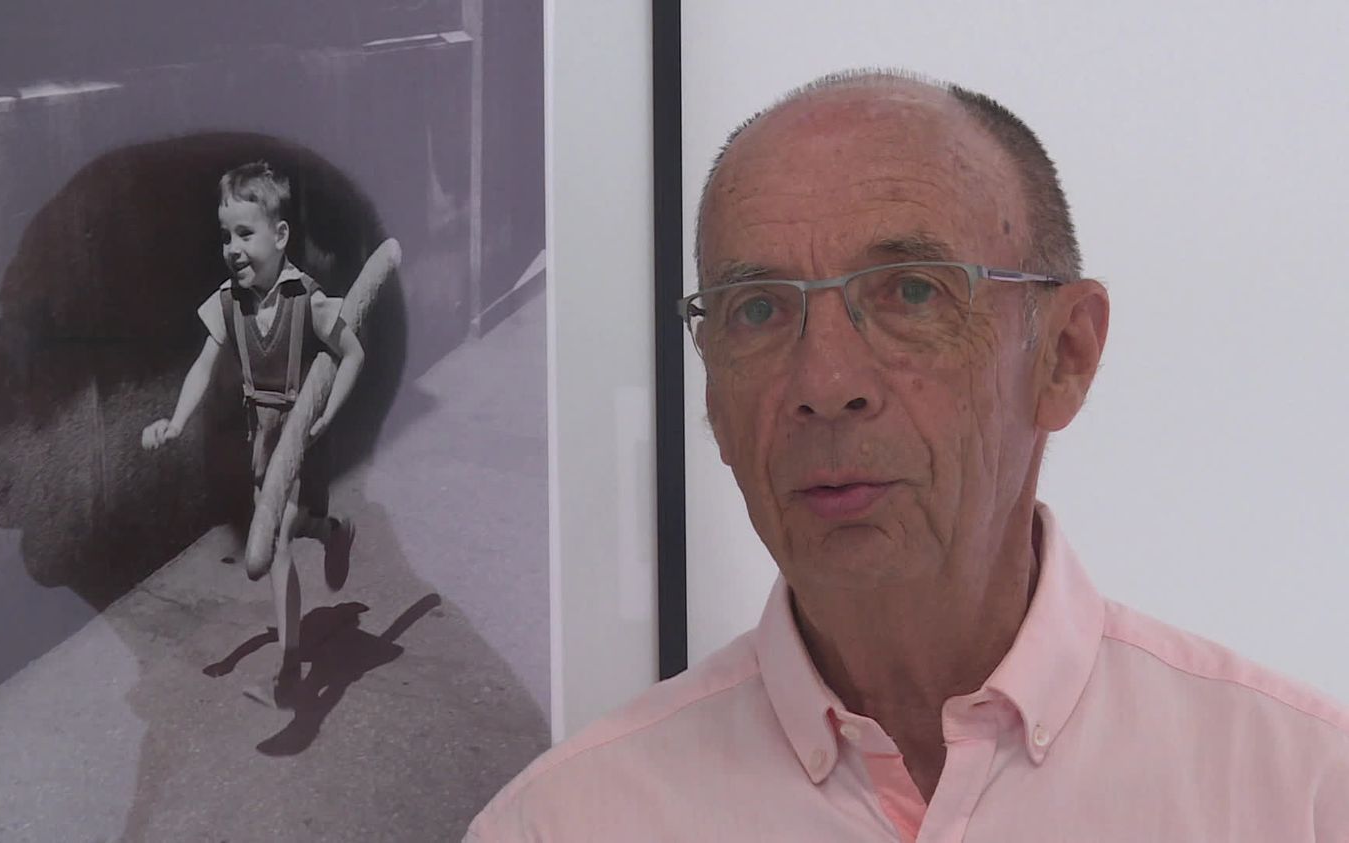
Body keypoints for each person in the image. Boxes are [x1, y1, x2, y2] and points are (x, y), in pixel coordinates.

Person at [467, 70, 1349, 839]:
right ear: (713, 398)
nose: (826, 380)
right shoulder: (564, 825)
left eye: (912, 292)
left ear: (1065, 356)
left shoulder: (1302, 794)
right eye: (760, 310)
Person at [142, 160, 366, 707]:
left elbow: (353, 353)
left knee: (278, 541)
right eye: (226, 236)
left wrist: (328, 415)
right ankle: (334, 532)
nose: (233, 248)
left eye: (246, 233)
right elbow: (202, 364)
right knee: (294, 526)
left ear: (280, 234)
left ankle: (289, 673)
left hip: (304, 435)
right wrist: (175, 420)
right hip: (262, 439)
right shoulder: (227, 301)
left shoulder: (306, 300)